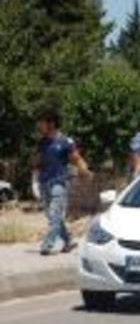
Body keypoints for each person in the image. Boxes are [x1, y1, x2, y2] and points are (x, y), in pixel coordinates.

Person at [32, 108, 92, 256]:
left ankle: (47, 245)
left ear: (51, 123)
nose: (39, 126)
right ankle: (68, 241)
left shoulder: (65, 141)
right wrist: (34, 171)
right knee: (53, 216)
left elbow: (77, 159)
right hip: (44, 183)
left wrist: (86, 171)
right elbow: (37, 162)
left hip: (60, 182)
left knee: (54, 214)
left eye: (42, 123)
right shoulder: (42, 142)